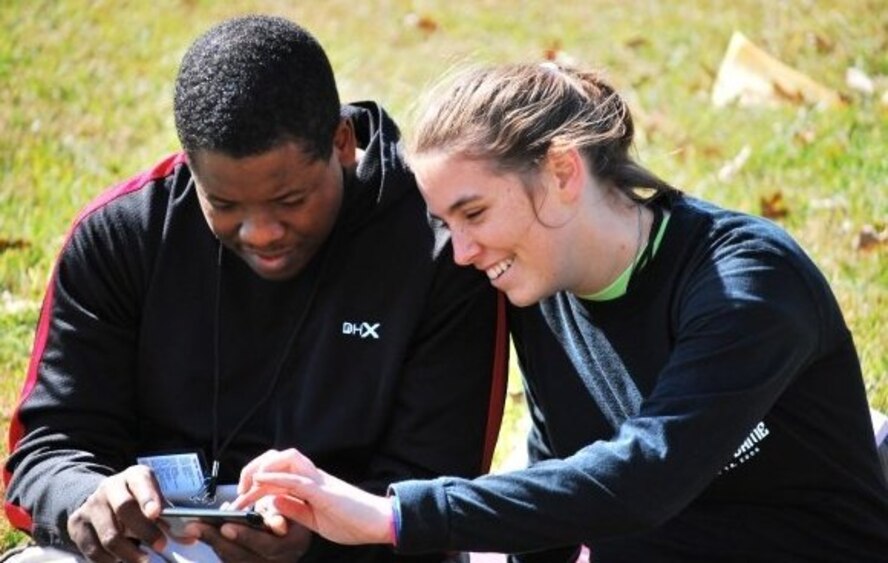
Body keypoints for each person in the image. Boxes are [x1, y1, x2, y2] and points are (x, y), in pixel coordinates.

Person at [232, 62, 888, 562]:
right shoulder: (538, 289)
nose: (461, 252)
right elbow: (558, 473)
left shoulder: (746, 281)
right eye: (445, 224)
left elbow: (643, 476)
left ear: (562, 171)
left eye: (474, 213)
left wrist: (391, 515)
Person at [3, 16, 508, 563]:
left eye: (290, 201)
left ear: (341, 143)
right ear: (190, 166)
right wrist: (86, 497)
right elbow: (49, 448)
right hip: (151, 548)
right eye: (223, 204)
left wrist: (314, 542)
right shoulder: (123, 235)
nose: (261, 232)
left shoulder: (439, 251)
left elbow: (438, 491)